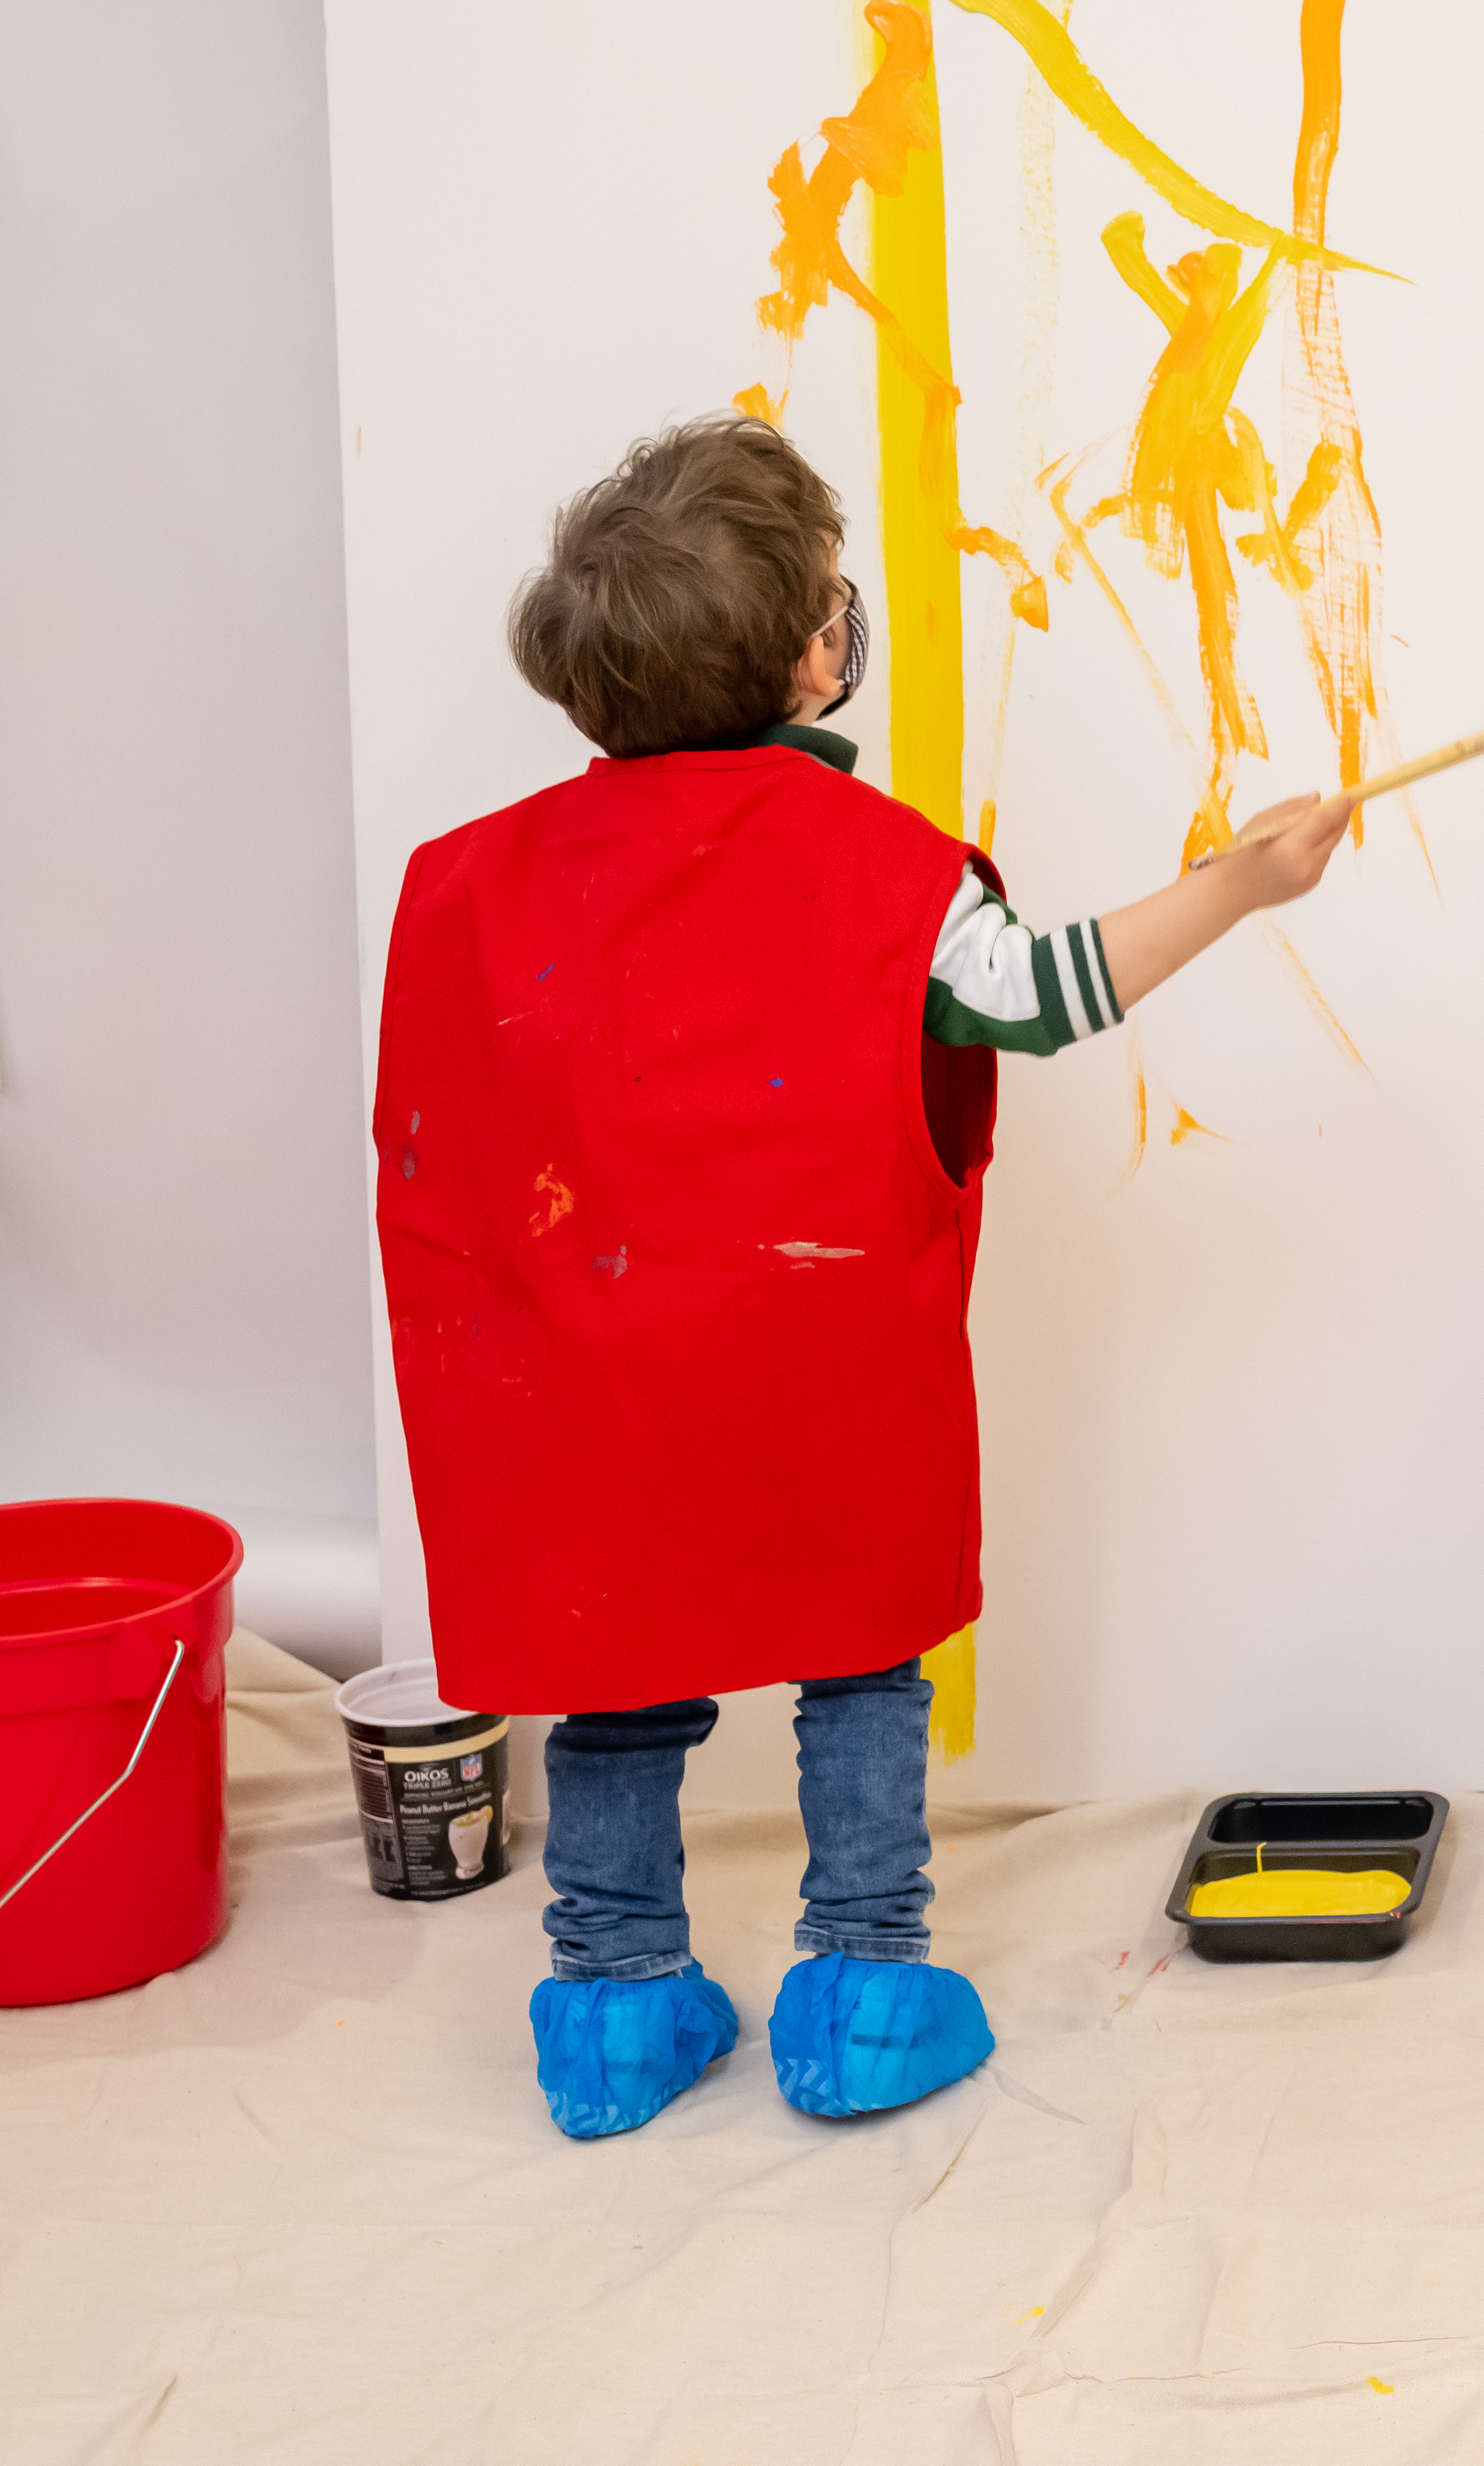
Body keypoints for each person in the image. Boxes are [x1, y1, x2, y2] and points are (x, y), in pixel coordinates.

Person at [376, 416, 1354, 2138]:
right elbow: (1045, 996)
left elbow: (443, 1158)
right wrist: (1243, 882)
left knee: (613, 1672)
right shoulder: (886, 876)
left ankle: (608, 2011)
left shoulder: (463, 888)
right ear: (811, 651)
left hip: (583, 1387)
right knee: (860, 1665)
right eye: (838, 595)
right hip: (811, 1372)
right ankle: (866, 1992)